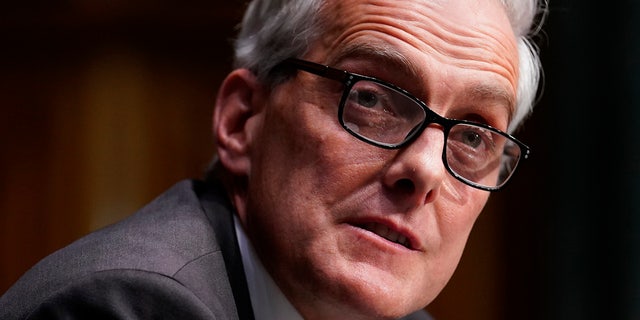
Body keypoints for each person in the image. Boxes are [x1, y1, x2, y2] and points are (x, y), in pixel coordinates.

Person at [0, 0, 545, 319]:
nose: (424, 169)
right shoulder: (129, 306)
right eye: (372, 98)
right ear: (243, 121)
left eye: (473, 137)